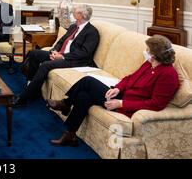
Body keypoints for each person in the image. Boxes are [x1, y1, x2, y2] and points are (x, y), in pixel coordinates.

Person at [47, 35, 180, 147]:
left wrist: (121, 104)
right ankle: (70, 134)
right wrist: (118, 88)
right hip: (122, 95)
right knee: (83, 96)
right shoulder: (149, 63)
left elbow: (156, 104)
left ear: (155, 54)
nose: (146, 51)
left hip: (128, 105)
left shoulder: (168, 74)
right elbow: (129, 78)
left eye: (148, 49)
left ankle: (66, 104)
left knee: (88, 81)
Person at [14, 4, 99, 106]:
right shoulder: (73, 27)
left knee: (46, 65)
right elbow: (61, 41)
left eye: (74, 12)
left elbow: (84, 53)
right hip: (60, 54)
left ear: (81, 15)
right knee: (34, 53)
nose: (72, 13)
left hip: (75, 61)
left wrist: (63, 56)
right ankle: (33, 87)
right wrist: (54, 51)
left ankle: (24, 98)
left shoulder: (92, 32)